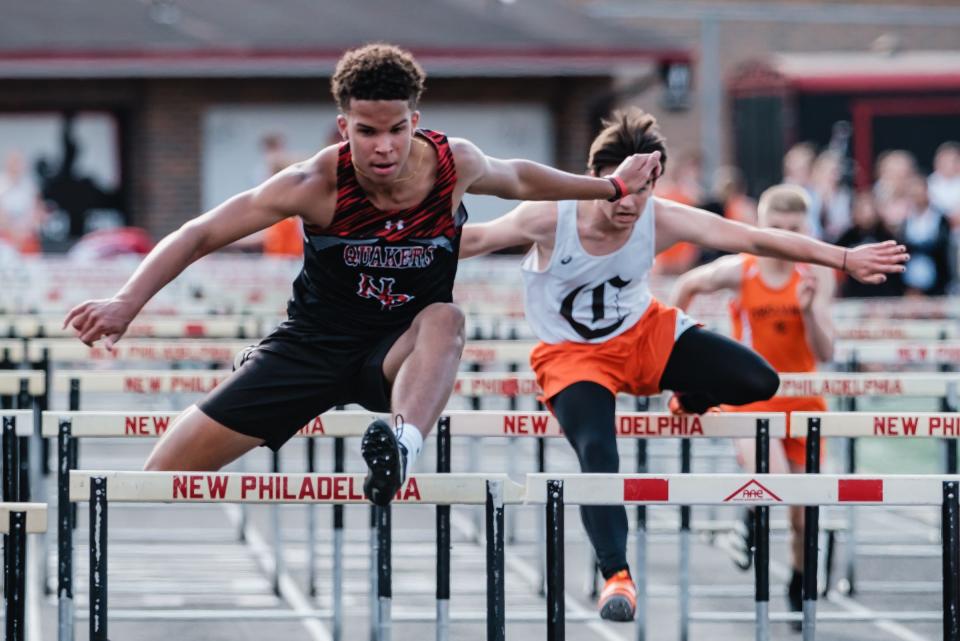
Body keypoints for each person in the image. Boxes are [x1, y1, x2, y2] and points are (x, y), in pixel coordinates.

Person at [62, 44, 661, 506]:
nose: (383, 148)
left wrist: (609, 186)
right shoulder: (312, 184)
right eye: (366, 131)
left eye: (396, 129)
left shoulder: (454, 164)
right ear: (343, 125)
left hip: (397, 354)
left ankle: (401, 447)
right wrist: (125, 302)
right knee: (152, 481)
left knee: (446, 318)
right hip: (309, 349)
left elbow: (524, 177)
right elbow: (198, 234)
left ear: (414, 120)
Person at [459, 108, 908, 621]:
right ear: (595, 181)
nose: (630, 205)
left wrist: (845, 259)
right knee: (597, 449)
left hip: (642, 334)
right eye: (621, 190)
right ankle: (616, 576)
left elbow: (752, 239)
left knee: (756, 379)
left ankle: (688, 395)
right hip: (572, 353)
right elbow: (474, 241)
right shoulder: (549, 216)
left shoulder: (661, 217)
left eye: (645, 191)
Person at [670, 184, 835, 628]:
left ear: (806, 229)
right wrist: (680, 342)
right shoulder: (741, 270)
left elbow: (826, 350)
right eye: (776, 228)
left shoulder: (815, 274)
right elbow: (687, 283)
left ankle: (798, 585)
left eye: (793, 229)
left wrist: (809, 313)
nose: (784, 237)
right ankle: (750, 514)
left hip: (804, 401)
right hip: (750, 403)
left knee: (803, 517)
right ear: (760, 227)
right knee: (779, 485)